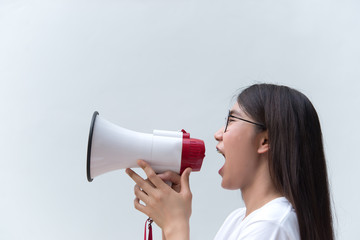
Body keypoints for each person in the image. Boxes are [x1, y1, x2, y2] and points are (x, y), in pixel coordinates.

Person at [126, 83, 334, 240]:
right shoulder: (239, 220)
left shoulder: (271, 225)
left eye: (231, 121)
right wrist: (170, 221)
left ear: (265, 140)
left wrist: (176, 225)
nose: (218, 134)